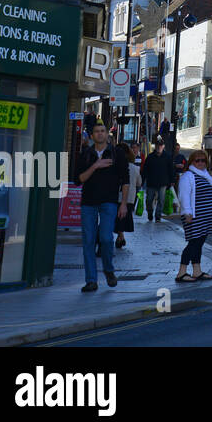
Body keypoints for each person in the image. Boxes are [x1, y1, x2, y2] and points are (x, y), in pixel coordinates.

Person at [74, 117, 130, 292]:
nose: (100, 134)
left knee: (106, 238)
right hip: (88, 203)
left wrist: (123, 204)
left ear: (107, 134)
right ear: (92, 136)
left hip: (109, 202)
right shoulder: (86, 154)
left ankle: (108, 269)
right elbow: (78, 180)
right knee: (88, 241)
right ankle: (91, 280)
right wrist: (96, 165)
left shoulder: (117, 154)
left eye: (103, 131)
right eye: (97, 131)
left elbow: (126, 181)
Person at [175, 151, 212, 283]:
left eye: (203, 160)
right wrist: (187, 213)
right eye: (197, 160)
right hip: (194, 216)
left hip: (206, 216)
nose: (200, 163)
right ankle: (181, 272)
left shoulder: (205, 175)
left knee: (199, 243)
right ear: (191, 162)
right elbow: (183, 196)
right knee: (193, 243)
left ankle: (197, 270)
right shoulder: (188, 176)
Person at [114, 142, 141, 249]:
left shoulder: (114, 166)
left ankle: (120, 237)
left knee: (118, 219)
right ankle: (120, 237)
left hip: (117, 197)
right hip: (130, 198)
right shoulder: (134, 168)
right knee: (123, 219)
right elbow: (139, 183)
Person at [142, 136, 171, 222]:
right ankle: (150, 213)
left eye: (161, 145)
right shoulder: (150, 157)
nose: (159, 147)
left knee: (161, 200)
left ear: (163, 146)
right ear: (155, 146)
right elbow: (145, 170)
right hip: (151, 182)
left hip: (163, 183)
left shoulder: (167, 157)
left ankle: (158, 216)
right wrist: (142, 180)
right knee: (149, 200)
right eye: (158, 145)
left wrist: (171, 181)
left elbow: (171, 170)